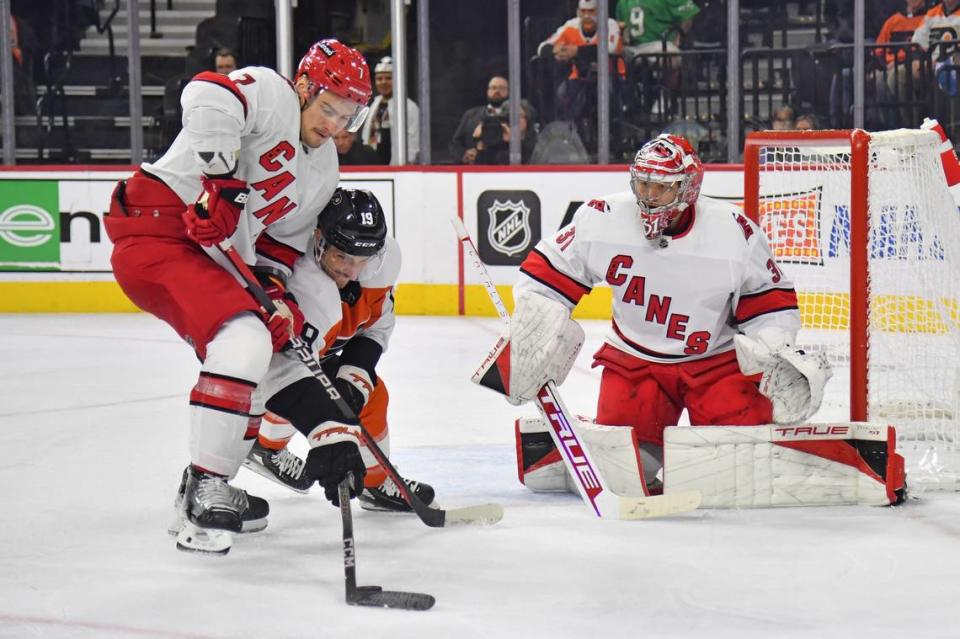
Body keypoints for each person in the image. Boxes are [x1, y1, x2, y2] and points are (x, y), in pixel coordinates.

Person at [103, 39, 373, 555]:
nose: (334, 125)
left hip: (211, 258)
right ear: (304, 87)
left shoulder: (324, 169)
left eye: (347, 117)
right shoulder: (271, 94)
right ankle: (205, 486)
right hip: (158, 232)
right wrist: (221, 181)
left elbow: (277, 247)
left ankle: (213, 481)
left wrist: (275, 294)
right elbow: (206, 94)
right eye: (328, 109)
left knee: (268, 348)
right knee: (244, 340)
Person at [505, 134, 830, 493]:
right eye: (642, 184)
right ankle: (589, 444)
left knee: (733, 471)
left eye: (661, 188)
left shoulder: (733, 232)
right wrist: (535, 327)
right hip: (636, 365)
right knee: (628, 473)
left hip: (715, 366)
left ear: (689, 187)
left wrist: (773, 348)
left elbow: (768, 301)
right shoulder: (602, 218)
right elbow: (547, 276)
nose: (648, 196)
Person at [243, 188, 436, 512]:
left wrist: (355, 376)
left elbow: (377, 325)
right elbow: (283, 373)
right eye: (342, 257)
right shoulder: (302, 281)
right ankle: (263, 447)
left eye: (362, 260)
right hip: (280, 361)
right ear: (319, 240)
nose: (351, 270)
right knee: (301, 397)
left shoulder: (382, 261)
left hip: (326, 346)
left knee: (370, 396)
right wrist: (331, 436)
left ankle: (375, 483)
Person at [537, 0, 626, 125]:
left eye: (591, 11)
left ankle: (614, 128)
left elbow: (609, 48)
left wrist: (577, 51)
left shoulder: (610, 25)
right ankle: (569, 131)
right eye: (583, 11)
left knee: (607, 91)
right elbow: (542, 48)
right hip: (580, 77)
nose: (587, 16)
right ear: (578, 12)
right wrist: (555, 49)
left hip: (611, 75)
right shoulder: (570, 26)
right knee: (562, 92)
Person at [449, 75, 538, 164]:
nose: (497, 91)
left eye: (502, 88)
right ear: (487, 91)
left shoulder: (517, 116)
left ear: (509, 91)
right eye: (493, 88)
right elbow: (455, 143)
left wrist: (514, 140)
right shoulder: (471, 115)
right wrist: (464, 155)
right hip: (474, 171)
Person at [361, 55, 421, 165]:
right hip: (373, 165)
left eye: (388, 78)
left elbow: (414, 141)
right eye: (379, 79)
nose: (383, 82)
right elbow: (366, 137)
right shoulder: (374, 104)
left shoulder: (409, 107)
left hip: (399, 167)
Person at [615, 0, 700, 58]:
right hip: (634, 48)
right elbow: (622, 28)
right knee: (613, 55)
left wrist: (678, 38)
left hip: (661, 44)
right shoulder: (623, 2)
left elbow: (688, 16)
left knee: (671, 55)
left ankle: (670, 85)